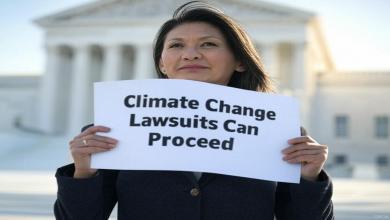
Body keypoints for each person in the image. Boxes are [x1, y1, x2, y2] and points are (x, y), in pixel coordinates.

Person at [54, 1, 334, 219]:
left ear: (240, 61)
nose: (190, 54)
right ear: (162, 64)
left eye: (208, 44)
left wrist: (309, 178)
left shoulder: (279, 132)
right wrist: (83, 173)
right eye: (176, 45)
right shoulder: (115, 128)